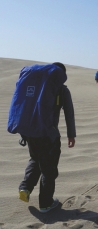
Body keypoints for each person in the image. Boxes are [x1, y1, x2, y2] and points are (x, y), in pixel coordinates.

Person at [18, 62, 76, 213]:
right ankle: (46, 203)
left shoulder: (38, 88)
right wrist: (71, 135)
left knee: (35, 159)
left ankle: (25, 188)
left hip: (31, 133)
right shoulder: (62, 90)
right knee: (49, 169)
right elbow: (69, 114)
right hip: (49, 136)